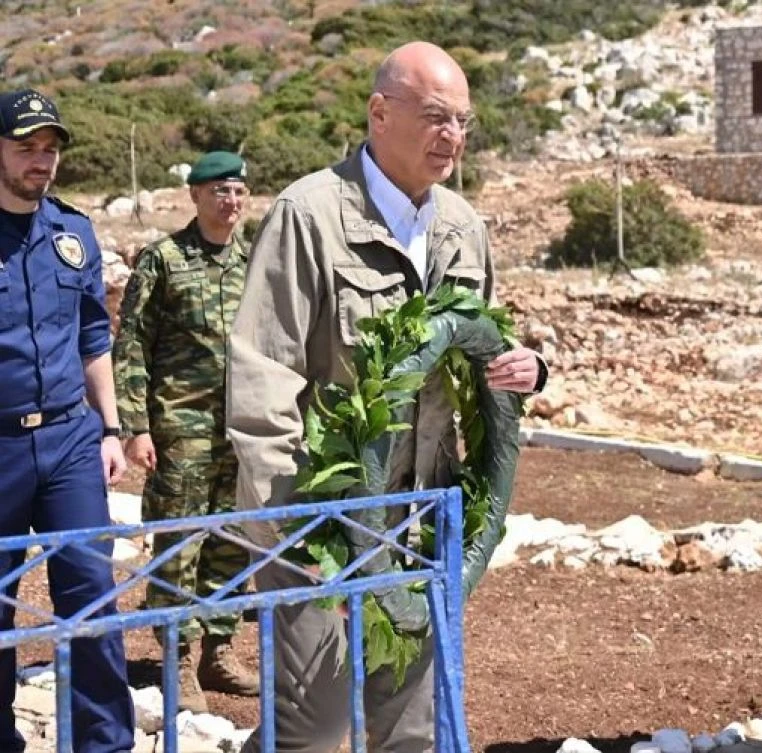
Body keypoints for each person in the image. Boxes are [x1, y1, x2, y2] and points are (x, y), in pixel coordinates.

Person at [227, 42, 546, 753]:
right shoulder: (309, 216)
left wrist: (525, 370)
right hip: (320, 517)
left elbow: (478, 349)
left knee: (413, 724)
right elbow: (261, 373)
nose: (453, 137)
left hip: (416, 517)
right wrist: (293, 522)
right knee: (315, 723)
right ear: (379, 112)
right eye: (436, 117)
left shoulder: (463, 227)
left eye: (463, 122)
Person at [0, 88, 135, 752]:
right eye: (26, 147)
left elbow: (92, 336)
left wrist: (109, 427)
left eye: (50, 150)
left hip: (70, 441)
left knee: (89, 593)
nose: (41, 161)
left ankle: (103, 742)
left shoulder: (73, 232)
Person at [112, 150, 258, 713]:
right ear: (195, 196)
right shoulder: (164, 259)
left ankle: (217, 653)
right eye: (220, 190)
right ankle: (177, 660)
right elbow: (132, 346)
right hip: (181, 432)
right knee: (179, 545)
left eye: (239, 190)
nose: (231, 200)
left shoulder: (252, 260)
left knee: (232, 544)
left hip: (241, 432)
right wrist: (136, 427)